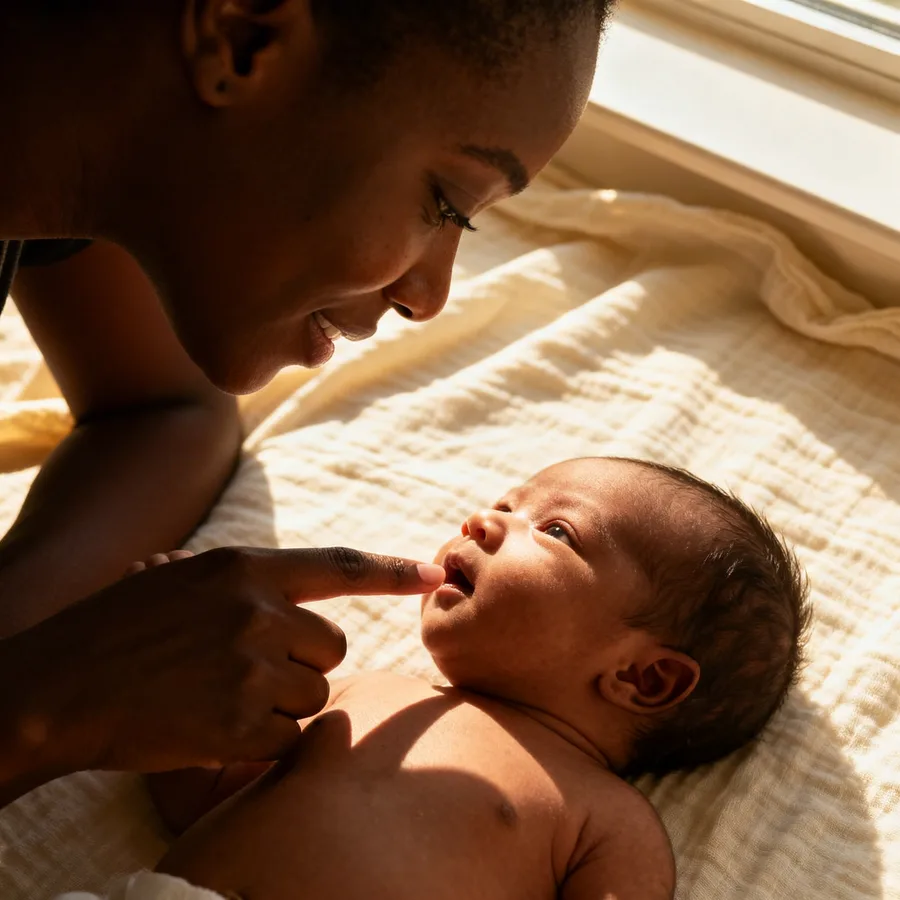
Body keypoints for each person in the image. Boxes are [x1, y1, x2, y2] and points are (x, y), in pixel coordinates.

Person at [0, 1, 610, 808]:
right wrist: (47, 704)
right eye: (445, 203)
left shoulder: (57, 156)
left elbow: (163, 409)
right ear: (243, 39)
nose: (429, 295)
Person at [111, 457, 809, 900]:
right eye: (507, 501)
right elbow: (199, 801)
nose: (485, 519)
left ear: (645, 677)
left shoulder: (603, 819)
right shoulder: (369, 692)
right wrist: (162, 672)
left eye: (558, 531)